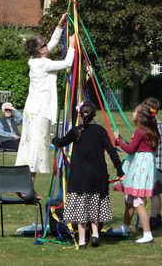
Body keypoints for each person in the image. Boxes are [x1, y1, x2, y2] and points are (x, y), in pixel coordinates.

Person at [52, 101, 124, 249]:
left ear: (79, 115)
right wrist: (119, 170)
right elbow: (112, 151)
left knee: (80, 209)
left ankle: (83, 241)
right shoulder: (101, 131)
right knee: (95, 205)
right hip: (98, 176)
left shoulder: (76, 131)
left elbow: (61, 142)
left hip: (80, 177)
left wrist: (53, 139)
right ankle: (96, 234)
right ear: (94, 115)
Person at [15, 13, 76, 188]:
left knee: (29, 148)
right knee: (35, 150)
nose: (46, 45)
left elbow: (52, 44)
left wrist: (60, 25)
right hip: (39, 112)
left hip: (32, 110)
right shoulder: (42, 64)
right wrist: (71, 46)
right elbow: (66, 64)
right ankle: (27, 188)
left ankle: (24, 187)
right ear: (40, 51)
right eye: (43, 45)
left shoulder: (35, 60)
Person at [111, 103, 160, 244]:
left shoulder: (140, 131)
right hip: (142, 166)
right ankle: (125, 227)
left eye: (134, 112)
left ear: (140, 117)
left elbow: (130, 149)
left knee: (138, 201)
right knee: (129, 199)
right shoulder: (150, 131)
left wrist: (118, 140)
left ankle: (147, 235)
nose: (132, 114)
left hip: (140, 167)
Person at [142, 97, 162, 230]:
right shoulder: (159, 123)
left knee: (154, 193)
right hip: (159, 162)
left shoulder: (153, 125)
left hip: (154, 163)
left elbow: (152, 144)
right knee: (156, 193)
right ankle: (157, 217)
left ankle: (153, 220)